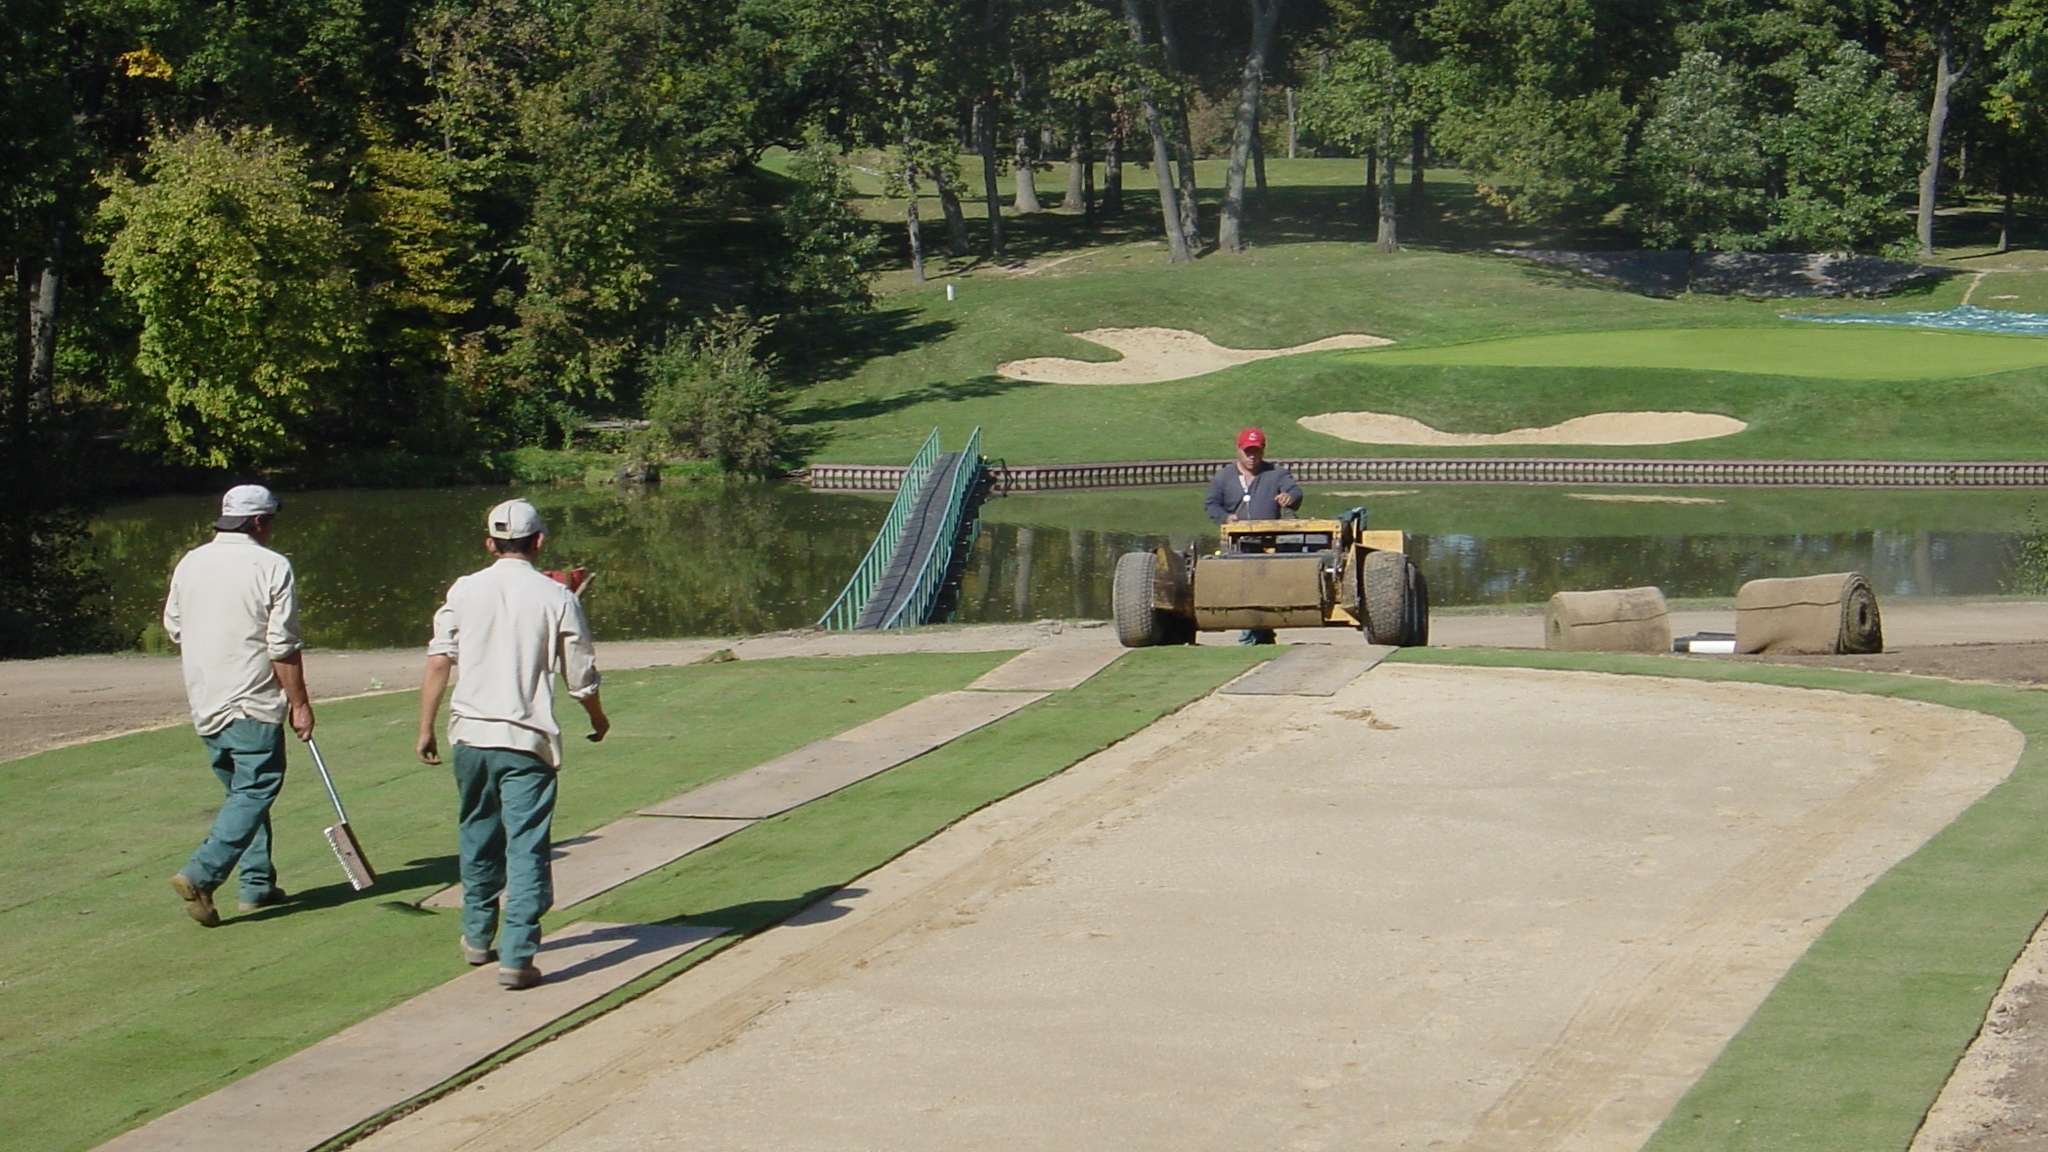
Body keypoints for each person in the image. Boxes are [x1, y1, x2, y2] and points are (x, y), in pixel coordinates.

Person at [417, 498, 609, 991]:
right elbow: (580, 675)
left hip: (470, 737)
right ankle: (518, 954)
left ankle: (477, 937)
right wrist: (597, 716)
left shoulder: (464, 590)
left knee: (477, 836)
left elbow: (440, 660)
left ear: (489, 544)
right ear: (539, 542)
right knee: (525, 846)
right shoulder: (556, 596)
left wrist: (425, 728)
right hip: (525, 740)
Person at [163, 484, 314, 926]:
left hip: (205, 697)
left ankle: (256, 883)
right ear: (259, 522)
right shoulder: (271, 565)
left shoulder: (191, 562)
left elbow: (174, 627)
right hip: (252, 699)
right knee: (256, 787)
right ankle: (201, 873)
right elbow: (282, 645)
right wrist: (300, 703)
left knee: (239, 794)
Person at [1204, 428, 1304, 645]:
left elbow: (1295, 492)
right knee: (1244, 588)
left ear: (1263, 451)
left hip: (1270, 542)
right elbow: (1212, 504)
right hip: (1239, 543)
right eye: (1247, 451)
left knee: (1267, 587)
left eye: (1256, 452)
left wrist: (1289, 497)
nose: (1252, 457)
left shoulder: (1276, 473)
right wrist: (1225, 518)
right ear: (1238, 450)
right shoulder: (1224, 477)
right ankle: (1254, 634)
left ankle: (1260, 632)